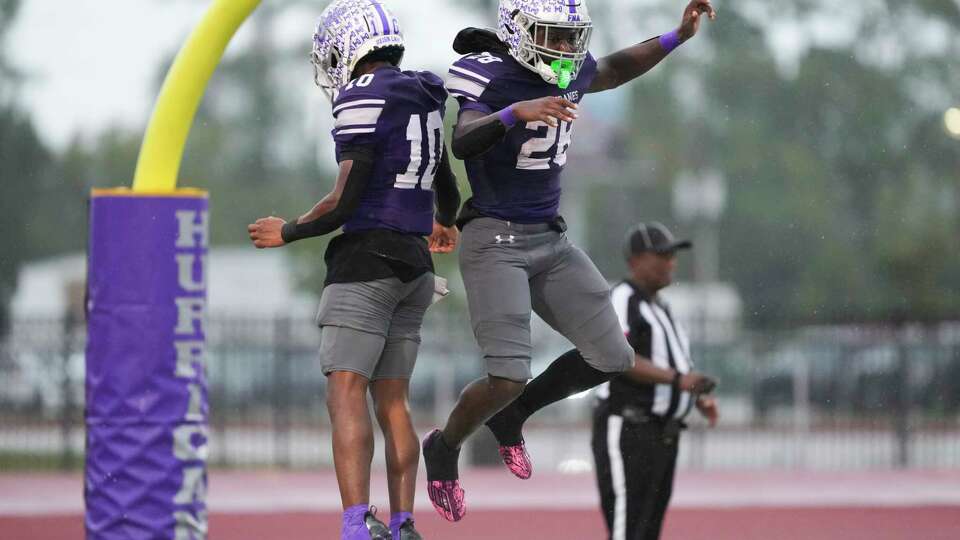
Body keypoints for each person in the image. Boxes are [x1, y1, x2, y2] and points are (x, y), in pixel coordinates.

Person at [422, 0, 717, 522]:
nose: (563, 49)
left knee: (613, 355)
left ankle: (514, 416)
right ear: (519, 32)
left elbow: (614, 68)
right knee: (507, 374)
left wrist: (677, 36)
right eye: (551, 36)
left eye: (567, 37)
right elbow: (464, 141)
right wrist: (517, 112)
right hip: (495, 241)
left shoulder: (569, 68)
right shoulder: (492, 77)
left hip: (551, 240)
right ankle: (444, 447)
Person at [247, 1, 460, 538]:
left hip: (367, 262)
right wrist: (444, 222)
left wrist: (289, 230)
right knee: (394, 401)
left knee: (345, 391)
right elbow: (448, 186)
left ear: (347, 47)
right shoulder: (425, 93)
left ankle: (357, 522)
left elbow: (343, 203)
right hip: (413, 266)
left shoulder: (363, 95)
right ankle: (406, 521)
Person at [592, 222, 719, 540]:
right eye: (661, 255)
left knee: (648, 530)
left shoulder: (662, 308)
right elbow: (618, 357)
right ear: (635, 260)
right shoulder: (623, 299)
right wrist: (678, 381)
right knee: (627, 529)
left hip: (662, 433)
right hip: (629, 427)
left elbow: (675, 362)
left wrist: (697, 396)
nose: (670, 262)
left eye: (673, 255)